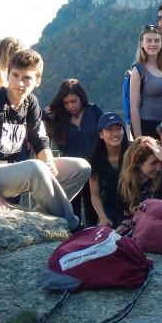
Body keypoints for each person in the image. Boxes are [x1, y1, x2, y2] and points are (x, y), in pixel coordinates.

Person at [0, 49, 90, 232]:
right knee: (35, 168)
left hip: (14, 173)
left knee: (81, 167)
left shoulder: (31, 103)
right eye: (15, 75)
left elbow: (39, 140)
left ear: (37, 81)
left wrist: (49, 161)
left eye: (27, 78)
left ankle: (45, 217)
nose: (19, 83)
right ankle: (72, 227)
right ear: (8, 75)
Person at [45, 78, 103, 224]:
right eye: (66, 102)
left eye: (74, 101)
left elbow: (105, 135)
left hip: (95, 169)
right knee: (72, 212)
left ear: (81, 98)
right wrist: (48, 112)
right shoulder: (59, 118)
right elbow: (39, 122)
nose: (70, 106)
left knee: (94, 212)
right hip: (72, 172)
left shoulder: (94, 111)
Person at [129, 24, 162, 138]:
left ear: (161, 43)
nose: (153, 44)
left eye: (156, 41)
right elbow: (134, 107)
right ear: (142, 43)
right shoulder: (138, 70)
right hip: (148, 124)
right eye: (148, 40)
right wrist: (139, 138)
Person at [117, 135, 162, 215]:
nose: (159, 168)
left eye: (160, 161)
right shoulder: (126, 186)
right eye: (153, 163)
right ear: (137, 163)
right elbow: (125, 213)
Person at [88, 112, 131, 226]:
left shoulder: (133, 152)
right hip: (109, 209)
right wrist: (102, 217)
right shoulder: (95, 159)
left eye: (118, 129)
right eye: (109, 130)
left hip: (134, 206)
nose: (115, 133)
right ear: (101, 134)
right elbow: (95, 194)